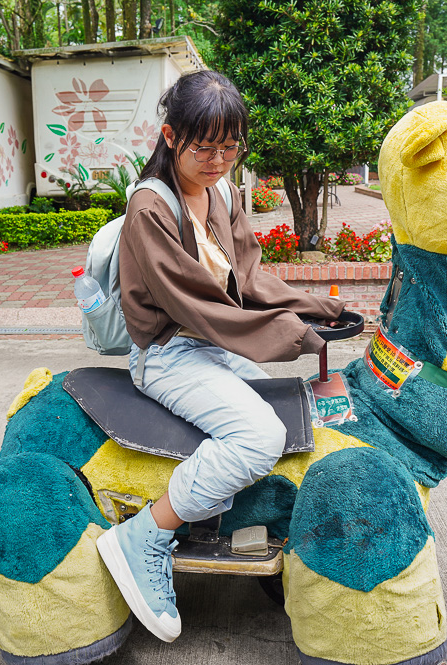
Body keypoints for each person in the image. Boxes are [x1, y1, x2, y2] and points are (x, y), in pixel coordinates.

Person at [95, 70, 348, 643]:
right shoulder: (149, 208)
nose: (218, 159)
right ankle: (144, 536)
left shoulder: (223, 193)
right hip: (167, 352)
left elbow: (249, 277)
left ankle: (237, 524)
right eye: (204, 146)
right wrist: (296, 337)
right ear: (169, 136)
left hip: (215, 343)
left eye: (230, 145)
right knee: (257, 436)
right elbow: (197, 305)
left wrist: (318, 310)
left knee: (290, 418)